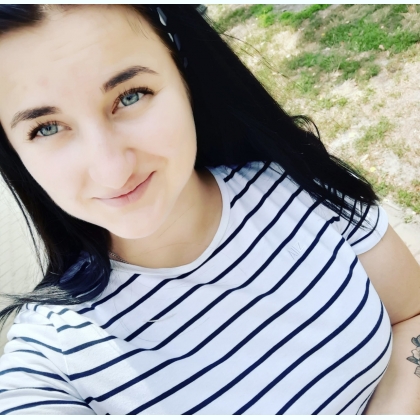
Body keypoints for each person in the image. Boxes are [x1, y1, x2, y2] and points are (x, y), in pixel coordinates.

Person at [0, 4, 419, 415]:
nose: (112, 171)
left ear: (182, 71)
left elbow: (411, 315)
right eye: (46, 128)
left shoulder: (295, 181)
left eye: (130, 95)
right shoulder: (53, 359)